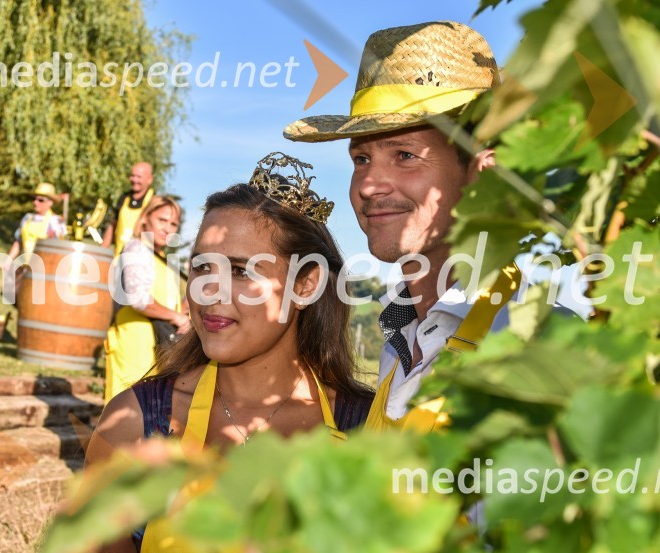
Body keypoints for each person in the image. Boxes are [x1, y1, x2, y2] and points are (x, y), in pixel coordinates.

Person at [87, 153, 374, 552]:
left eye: (240, 270)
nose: (209, 291)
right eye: (202, 268)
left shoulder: (370, 429)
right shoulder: (133, 422)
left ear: (305, 286)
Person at [284, 21, 520, 431]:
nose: (370, 185)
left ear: (483, 174)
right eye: (361, 159)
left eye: (405, 155)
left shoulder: (528, 342)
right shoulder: (400, 339)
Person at [104, 195, 188, 401]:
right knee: (126, 413)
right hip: (134, 342)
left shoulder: (158, 258)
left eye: (173, 224)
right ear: (145, 219)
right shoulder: (137, 249)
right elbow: (138, 298)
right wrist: (177, 318)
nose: (167, 228)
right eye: (162, 220)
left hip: (155, 346)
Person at [2, 182, 67, 301]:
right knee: (14, 297)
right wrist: (8, 260)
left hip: (43, 271)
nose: (35, 202)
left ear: (50, 203)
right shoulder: (27, 218)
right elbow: (18, 241)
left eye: (41, 200)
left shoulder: (56, 222)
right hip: (24, 267)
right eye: (35, 199)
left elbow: (59, 248)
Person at [101, 162, 156, 255]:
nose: (134, 180)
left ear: (149, 179)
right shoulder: (124, 198)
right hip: (119, 256)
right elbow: (113, 225)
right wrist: (102, 250)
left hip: (140, 259)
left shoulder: (154, 201)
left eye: (139, 177)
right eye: (132, 176)